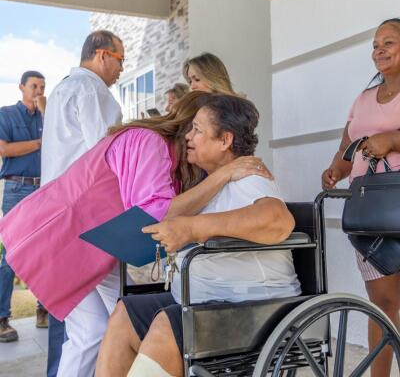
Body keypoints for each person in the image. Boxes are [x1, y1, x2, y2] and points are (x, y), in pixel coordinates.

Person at [0, 91, 269, 376]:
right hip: (60, 235)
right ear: (186, 124)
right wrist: (222, 176)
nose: (193, 136)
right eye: (194, 128)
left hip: (95, 247)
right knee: (90, 332)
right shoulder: (149, 142)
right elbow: (154, 215)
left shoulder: (166, 152)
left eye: (200, 131)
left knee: (121, 315)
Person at [95, 94, 300, 377]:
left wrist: (194, 228)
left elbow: (278, 220)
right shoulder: (211, 183)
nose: (188, 136)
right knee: (125, 315)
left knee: (166, 324)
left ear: (225, 140)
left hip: (253, 308)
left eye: (197, 130)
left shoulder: (249, 176)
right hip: (200, 301)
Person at [41, 29, 124, 377]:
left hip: (58, 217)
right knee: (115, 320)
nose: (121, 70)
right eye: (120, 61)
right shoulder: (92, 89)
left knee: (90, 330)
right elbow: (106, 156)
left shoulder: (63, 89)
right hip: (88, 220)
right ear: (102, 55)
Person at [321, 18, 400, 377]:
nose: (379, 50)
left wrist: (393, 139)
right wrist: (335, 170)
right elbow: (347, 146)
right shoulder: (363, 99)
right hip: (369, 214)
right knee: (381, 304)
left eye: (389, 42)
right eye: (375, 45)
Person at [0, 70, 47, 343]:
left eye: (42, 87)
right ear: (21, 87)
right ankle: (2, 318)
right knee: (11, 255)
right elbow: (5, 150)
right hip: (16, 189)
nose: (38, 91)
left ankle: (44, 310)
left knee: (45, 251)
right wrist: (39, 143)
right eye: (34, 86)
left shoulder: (46, 116)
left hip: (44, 189)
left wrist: (46, 113)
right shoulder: (6, 114)